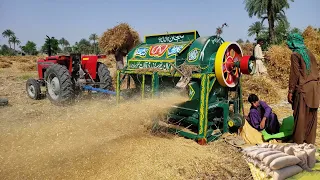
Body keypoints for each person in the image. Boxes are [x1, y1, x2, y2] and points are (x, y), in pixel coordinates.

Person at [287, 33, 320, 144]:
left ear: (293, 42)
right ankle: (309, 142)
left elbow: (295, 75)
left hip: (303, 89)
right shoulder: (309, 53)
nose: (288, 44)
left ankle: (299, 143)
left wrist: (291, 91)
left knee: (301, 116)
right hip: (315, 88)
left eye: (289, 41)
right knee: (311, 117)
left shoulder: (295, 55)